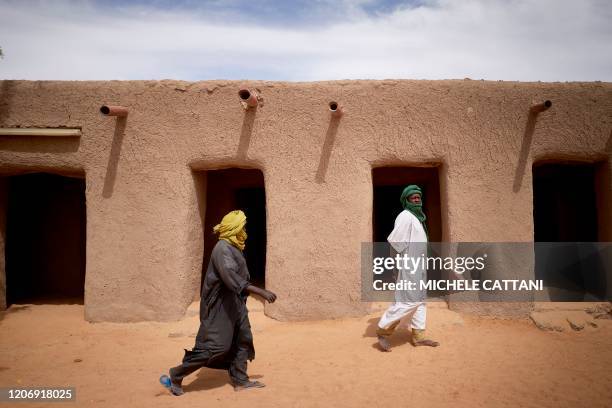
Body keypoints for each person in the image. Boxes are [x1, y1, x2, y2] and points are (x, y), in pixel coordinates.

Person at [161, 210, 277, 395]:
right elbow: (232, 278)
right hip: (220, 306)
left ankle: (241, 380)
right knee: (216, 346)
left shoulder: (233, 246)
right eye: (242, 226)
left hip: (235, 303)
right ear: (234, 228)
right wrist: (261, 292)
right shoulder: (222, 249)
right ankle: (177, 374)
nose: (245, 230)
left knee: (243, 339)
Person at [376, 185, 439, 352]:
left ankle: (419, 336)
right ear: (406, 200)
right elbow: (395, 242)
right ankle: (383, 329)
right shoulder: (405, 216)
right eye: (413, 198)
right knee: (408, 300)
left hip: (419, 266)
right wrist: (396, 267)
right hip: (409, 266)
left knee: (420, 301)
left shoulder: (418, 218)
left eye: (419, 197)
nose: (417, 200)